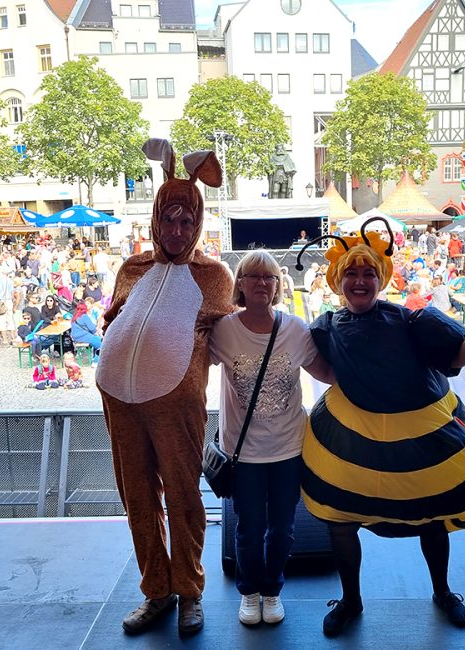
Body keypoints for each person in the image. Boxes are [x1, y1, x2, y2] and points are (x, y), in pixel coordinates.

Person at [297, 224, 465, 636]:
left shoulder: (410, 320)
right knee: (341, 522)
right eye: (351, 273)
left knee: (433, 519)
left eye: (368, 273)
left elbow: (455, 355)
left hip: (424, 442)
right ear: (338, 282)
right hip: (354, 447)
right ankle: (350, 600)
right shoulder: (327, 326)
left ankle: (442, 591)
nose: (360, 281)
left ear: (380, 279)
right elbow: (323, 370)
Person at [96, 139, 233, 636]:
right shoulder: (131, 268)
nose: (177, 230)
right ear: (155, 219)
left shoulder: (214, 275)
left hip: (177, 405)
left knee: (182, 497)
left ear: (198, 224)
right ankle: (155, 589)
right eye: (169, 219)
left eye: (187, 221)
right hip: (120, 401)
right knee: (137, 497)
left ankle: (189, 592)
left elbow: (240, 334)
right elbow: (113, 319)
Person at [209, 250, 333, 627]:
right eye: (253, 276)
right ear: (240, 284)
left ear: (278, 285)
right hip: (242, 453)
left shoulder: (295, 329)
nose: (261, 283)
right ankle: (250, 592)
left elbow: (326, 373)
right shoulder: (224, 330)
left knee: (283, 527)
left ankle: (272, 590)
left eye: (269, 277)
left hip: (288, 448)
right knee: (249, 526)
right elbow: (192, 364)